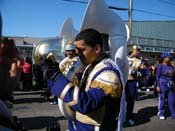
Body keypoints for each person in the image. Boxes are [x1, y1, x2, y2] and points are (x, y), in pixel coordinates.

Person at [47, 28, 123, 131]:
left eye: (82, 50)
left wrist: (56, 77)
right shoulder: (91, 65)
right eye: (77, 51)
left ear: (97, 49)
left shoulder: (108, 73)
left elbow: (87, 103)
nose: (78, 54)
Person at [125, 44, 143, 125]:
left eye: (139, 51)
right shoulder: (124, 58)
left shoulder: (139, 61)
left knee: (130, 100)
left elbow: (143, 73)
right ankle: (118, 115)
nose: (139, 52)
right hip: (122, 80)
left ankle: (129, 117)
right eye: (137, 50)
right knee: (119, 99)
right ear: (133, 50)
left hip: (132, 81)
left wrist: (136, 73)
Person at [156, 52, 175, 120]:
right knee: (163, 99)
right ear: (164, 58)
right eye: (168, 57)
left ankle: (173, 114)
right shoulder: (160, 66)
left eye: (169, 57)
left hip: (171, 84)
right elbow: (157, 76)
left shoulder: (171, 66)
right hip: (162, 83)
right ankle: (161, 113)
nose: (169, 58)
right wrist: (158, 86)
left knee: (172, 100)